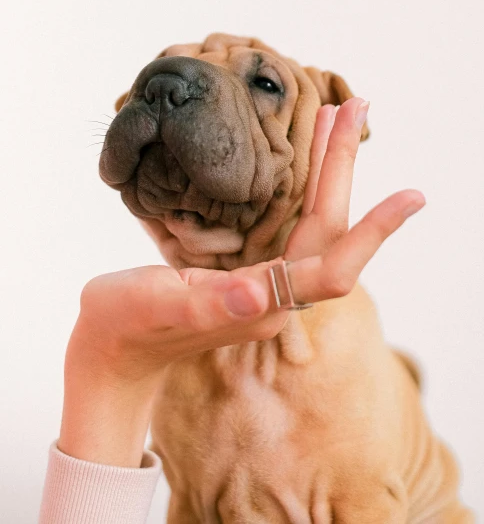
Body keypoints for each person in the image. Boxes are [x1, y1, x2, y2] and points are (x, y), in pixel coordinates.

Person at [38, 99, 425, 523]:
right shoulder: (172, 347)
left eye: (264, 85)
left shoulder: (352, 369)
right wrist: (110, 359)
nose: (176, 102)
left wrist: (109, 356)